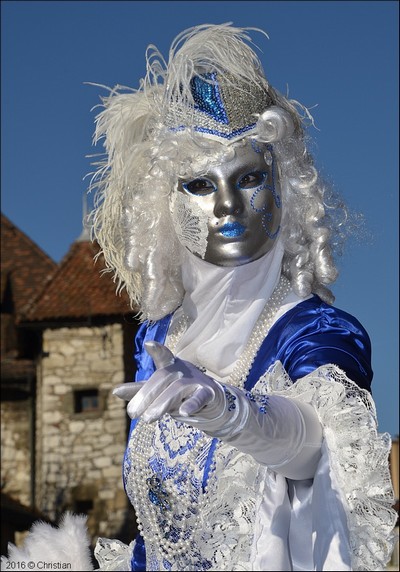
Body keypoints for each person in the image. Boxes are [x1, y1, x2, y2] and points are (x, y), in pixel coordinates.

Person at [1, 23, 397, 572]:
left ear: (287, 189)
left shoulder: (316, 332)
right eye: (201, 185)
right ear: (164, 206)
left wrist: (228, 409)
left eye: (251, 177)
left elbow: (317, 446)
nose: (228, 204)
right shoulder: (158, 339)